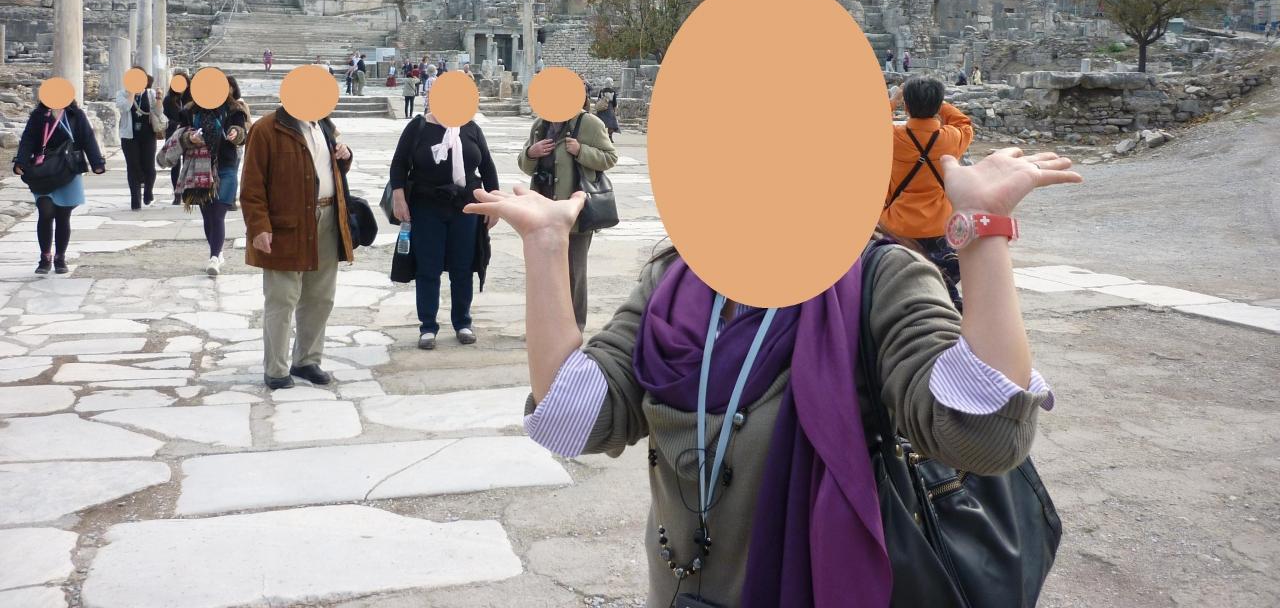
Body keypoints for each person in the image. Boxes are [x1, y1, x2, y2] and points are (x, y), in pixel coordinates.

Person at [466, 142, 1079, 608]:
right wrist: (546, 246)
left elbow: (983, 436)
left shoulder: (881, 278)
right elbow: (578, 419)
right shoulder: (673, 282)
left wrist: (982, 231)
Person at [241, 100, 356, 389]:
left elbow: (328, 169)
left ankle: (307, 360)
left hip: (328, 217)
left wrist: (345, 156)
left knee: (321, 296)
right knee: (282, 298)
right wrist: (259, 226)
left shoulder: (325, 126)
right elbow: (252, 185)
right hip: (286, 225)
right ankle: (276, 369)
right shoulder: (265, 129)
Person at [389, 111, 499, 349]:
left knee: (463, 267)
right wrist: (399, 197)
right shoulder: (418, 126)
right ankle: (428, 326)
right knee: (428, 267)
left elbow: (487, 166)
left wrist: (495, 204)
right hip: (427, 206)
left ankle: (463, 322)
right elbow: (399, 163)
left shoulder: (471, 128)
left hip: (466, 206)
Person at [517, 97, 618, 330]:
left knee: (574, 273)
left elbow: (610, 157)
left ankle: (574, 328)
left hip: (575, 216)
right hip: (543, 214)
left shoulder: (589, 123)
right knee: (544, 273)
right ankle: (547, 326)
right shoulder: (540, 125)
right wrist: (531, 153)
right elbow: (524, 165)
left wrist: (581, 150)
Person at [882, 75, 974, 307]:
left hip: (897, 227)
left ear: (907, 106)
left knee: (895, 284)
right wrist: (937, 102)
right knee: (940, 283)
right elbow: (964, 123)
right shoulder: (951, 139)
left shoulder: (892, 138)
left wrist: (894, 100)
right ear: (938, 106)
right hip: (939, 226)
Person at [13, 97, 106, 274]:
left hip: (68, 169)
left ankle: (60, 257)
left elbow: (87, 138)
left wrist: (97, 163)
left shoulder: (76, 115)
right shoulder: (39, 115)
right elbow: (28, 139)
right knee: (45, 211)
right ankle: (45, 256)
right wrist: (21, 162)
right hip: (44, 170)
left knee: (63, 215)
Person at [177, 78, 250, 277]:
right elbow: (181, 134)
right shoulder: (190, 111)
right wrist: (189, 137)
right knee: (207, 215)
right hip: (199, 167)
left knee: (218, 213)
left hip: (225, 166)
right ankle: (217, 251)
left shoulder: (234, 109)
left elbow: (242, 132)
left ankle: (214, 257)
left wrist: (235, 133)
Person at [116, 73, 159, 210]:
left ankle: (148, 190)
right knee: (133, 166)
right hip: (129, 136)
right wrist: (132, 93)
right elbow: (125, 108)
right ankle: (135, 200)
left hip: (148, 135)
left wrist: (159, 99)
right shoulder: (121, 94)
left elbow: (159, 112)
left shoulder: (151, 93)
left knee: (149, 166)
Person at [162, 70, 190, 204]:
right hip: (173, 134)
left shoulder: (191, 98)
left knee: (187, 163)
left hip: (188, 134)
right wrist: (176, 124)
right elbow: (165, 117)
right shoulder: (168, 99)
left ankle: (186, 192)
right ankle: (177, 193)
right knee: (175, 165)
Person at [595, 77, 621, 142]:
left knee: (601, 123)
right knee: (611, 124)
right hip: (609, 108)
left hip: (602, 108)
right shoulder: (613, 92)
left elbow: (599, 99)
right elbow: (614, 102)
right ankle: (610, 136)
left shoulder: (602, 91)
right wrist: (614, 109)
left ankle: (601, 137)